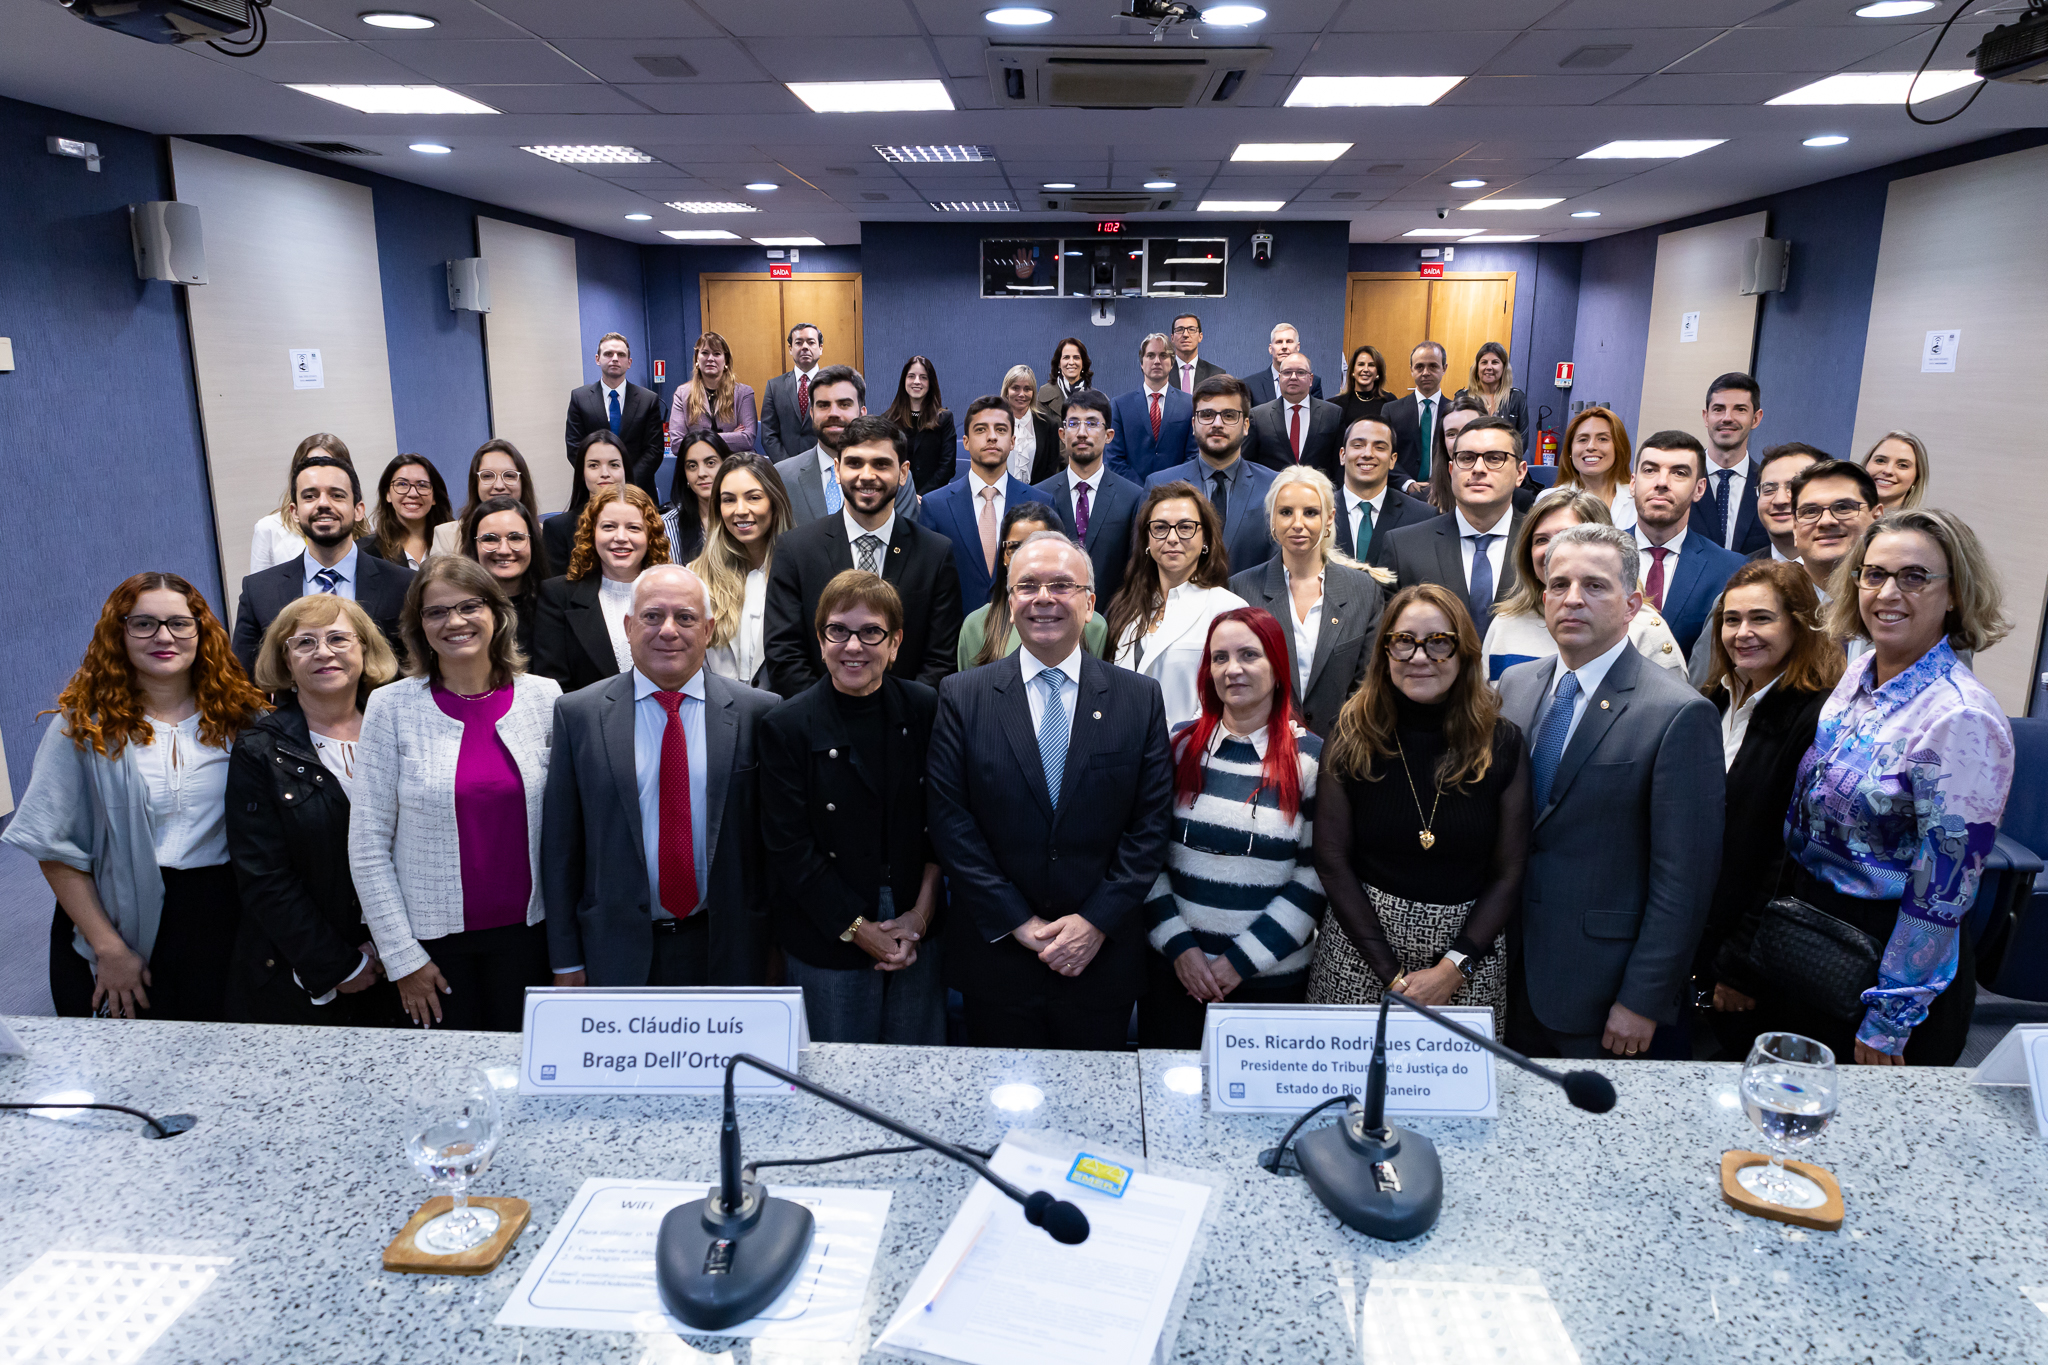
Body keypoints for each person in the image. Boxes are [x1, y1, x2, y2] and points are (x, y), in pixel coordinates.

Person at [1774, 510, 2015, 1066]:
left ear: (1954, 593)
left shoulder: (1961, 718)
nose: (1888, 592)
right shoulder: (1858, 676)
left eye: (1914, 577)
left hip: (1887, 968)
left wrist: (1890, 1018)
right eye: (1874, 573)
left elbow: (1943, 893)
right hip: (1813, 932)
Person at [928, 531, 1175, 1049]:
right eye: (1028, 586)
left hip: (1099, 960)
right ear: (1009, 602)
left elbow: (1149, 828)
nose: (1044, 598)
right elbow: (951, 821)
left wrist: (1094, 923)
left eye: (1061, 585)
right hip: (998, 959)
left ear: (1089, 604)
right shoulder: (963, 696)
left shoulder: (1139, 698)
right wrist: (1018, 922)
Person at [1497, 524, 1723, 1059]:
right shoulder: (1516, 687)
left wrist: (1643, 999)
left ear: (1633, 604)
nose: (1572, 599)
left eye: (1595, 586)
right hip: (1505, 970)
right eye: (1559, 584)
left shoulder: (1677, 712)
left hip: (1602, 991)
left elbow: (1684, 881)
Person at [6, 573, 269, 1021]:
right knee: (123, 1072)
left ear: (201, 631)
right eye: (143, 624)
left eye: (179, 623)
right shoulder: (83, 725)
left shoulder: (243, 718)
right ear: (119, 632)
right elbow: (55, 850)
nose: (164, 636)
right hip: (114, 920)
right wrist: (109, 950)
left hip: (221, 915)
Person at [349, 556, 561, 1030]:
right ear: (419, 626)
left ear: (497, 613)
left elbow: (569, 833)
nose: (455, 622)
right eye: (437, 612)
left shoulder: (544, 698)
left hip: (531, 940)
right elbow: (367, 848)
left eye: (469, 606)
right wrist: (403, 958)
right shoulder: (390, 707)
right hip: (433, 952)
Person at [542, 564, 777, 989]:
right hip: (615, 953)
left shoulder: (758, 712)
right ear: (629, 626)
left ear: (707, 629)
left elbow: (775, 846)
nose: (668, 630)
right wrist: (564, 960)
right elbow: (561, 850)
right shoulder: (578, 714)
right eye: (652, 616)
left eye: (685, 617)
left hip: (730, 948)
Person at [1307, 585, 1529, 1031]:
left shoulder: (1502, 742)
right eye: (1404, 641)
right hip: (1360, 949)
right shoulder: (1351, 733)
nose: (1419, 657)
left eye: (1439, 642)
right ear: (1385, 651)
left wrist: (1452, 969)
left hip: (1467, 958)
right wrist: (1390, 971)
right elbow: (1331, 860)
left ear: (1464, 652)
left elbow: (1509, 872)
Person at [759, 572, 946, 1041]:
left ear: (896, 642)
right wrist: (861, 930)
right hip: (827, 925)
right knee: (836, 1079)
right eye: (837, 630)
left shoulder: (926, 707)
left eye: (871, 632)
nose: (853, 646)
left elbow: (943, 824)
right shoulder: (785, 725)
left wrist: (918, 920)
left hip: (915, 920)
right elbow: (789, 849)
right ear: (820, 640)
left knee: (917, 1076)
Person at [1140, 607, 1326, 1047]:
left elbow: (1313, 876)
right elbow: (1145, 856)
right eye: (1220, 657)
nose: (1233, 669)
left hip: (1269, 986)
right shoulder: (1178, 746)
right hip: (1174, 977)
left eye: (1249, 655)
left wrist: (1238, 963)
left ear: (1278, 669)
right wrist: (1181, 949)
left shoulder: (1312, 760)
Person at [224, 595, 406, 1027]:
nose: (324, 652)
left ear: (365, 648)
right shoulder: (259, 749)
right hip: (312, 971)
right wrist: (338, 963)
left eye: (339, 638)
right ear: (286, 661)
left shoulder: (404, 729)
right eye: (304, 642)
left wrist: (400, 947)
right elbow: (263, 876)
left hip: (410, 955)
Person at [1689, 560, 1843, 1058]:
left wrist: (1742, 968)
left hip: (1753, 958)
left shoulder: (1816, 716)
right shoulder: (1713, 699)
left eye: (1761, 618)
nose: (1742, 633)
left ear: (1799, 624)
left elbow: (1787, 860)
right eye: (1731, 620)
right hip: (1703, 932)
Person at [764, 415, 961, 696]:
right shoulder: (796, 550)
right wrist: (832, 716)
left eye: (881, 464)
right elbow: (784, 656)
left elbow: (940, 660)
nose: (867, 475)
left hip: (907, 727)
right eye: (855, 463)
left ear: (903, 472)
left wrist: (894, 716)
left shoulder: (935, 553)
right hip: (817, 726)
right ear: (837, 468)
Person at [1229, 467, 1387, 736]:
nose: (1297, 523)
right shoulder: (1241, 589)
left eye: (1311, 512)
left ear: (1329, 519)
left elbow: (1368, 683)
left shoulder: (1363, 590)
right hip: (1264, 746)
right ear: (1272, 520)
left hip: (1342, 748)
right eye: (1286, 512)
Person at [232, 454, 415, 674]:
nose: (323, 504)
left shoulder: (403, 584)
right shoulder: (259, 590)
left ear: (358, 510)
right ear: (295, 512)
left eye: (337, 496)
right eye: (310, 496)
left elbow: (416, 670)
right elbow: (243, 681)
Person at [1483, 487, 1686, 681]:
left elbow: (1670, 708)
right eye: (1541, 540)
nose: (1552, 551)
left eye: (1567, 537)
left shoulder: (1644, 630)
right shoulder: (1505, 624)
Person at [1108, 482, 1250, 730]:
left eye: (1185, 527)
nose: (1172, 538)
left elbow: (1231, 702)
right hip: (1126, 754)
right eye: (1160, 528)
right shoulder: (1125, 607)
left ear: (1205, 538)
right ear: (1147, 540)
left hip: (1192, 754)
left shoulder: (1228, 608)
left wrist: (1179, 743)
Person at [1382, 415, 1526, 642]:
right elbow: (1388, 643)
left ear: (1520, 472)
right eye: (1467, 458)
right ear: (1451, 470)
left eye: (1495, 458)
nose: (1478, 468)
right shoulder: (1404, 548)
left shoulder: (1545, 544)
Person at [921, 395, 1060, 612]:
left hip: (1023, 632)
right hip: (957, 638)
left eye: (1001, 430)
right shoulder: (935, 506)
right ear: (965, 442)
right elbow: (928, 585)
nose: (992, 437)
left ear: (1013, 441)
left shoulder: (1041, 502)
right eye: (981, 429)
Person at [533, 484, 673, 693]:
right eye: (608, 527)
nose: (620, 537)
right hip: (589, 723)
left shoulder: (674, 594)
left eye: (633, 528)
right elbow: (554, 687)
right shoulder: (557, 596)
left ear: (650, 536)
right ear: (592, 533)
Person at [1630, 430, 1748, 657]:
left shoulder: (1731, 569)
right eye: (1650, 470)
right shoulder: (1597, 555)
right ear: (1633, 483)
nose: (1662, 482)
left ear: (1699, 488)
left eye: (1679, 473)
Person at [1145, 374, 1279, 575]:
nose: (1217, 423)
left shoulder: (1273, 487)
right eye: (1207, 414)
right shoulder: (1160, 485)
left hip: (1251, 604)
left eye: (1229, 415)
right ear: (1193, 424)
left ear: (1246, 425)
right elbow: (1144, 564)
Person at [959, 502, 1112, 669]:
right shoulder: (975, 626)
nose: (1028, 556)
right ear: (1003, 556)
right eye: (1016, 547)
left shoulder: (1094, 627)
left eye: (1040, 544)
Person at [769, 365, 920, 526]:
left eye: (844, 404)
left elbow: (905, 541)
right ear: (812, 414)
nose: (833, 413)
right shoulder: (782, 476)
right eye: (823, 405)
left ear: (862, 413)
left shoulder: (893, 475)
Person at [1035, 388, 1144, 607]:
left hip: (1113, 621)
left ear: (1109, 435)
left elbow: (1136, 573)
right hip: (1052, 618)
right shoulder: (1039, 496)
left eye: (1092, 423)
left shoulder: (1133, 497)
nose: (1082, 433)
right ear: (1062, 434)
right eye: (1073, 423)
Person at [693, 454, 793, 691]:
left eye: (754, 498)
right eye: (728, 500)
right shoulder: (695, 578)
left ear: (774, 501)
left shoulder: (799, 571)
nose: (740, 510)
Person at [565, 331, 663, 499]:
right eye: (608, 354)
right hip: (593, 493)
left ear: (629, 362)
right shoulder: (579, 398)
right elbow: (575, 448)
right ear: (598, 359)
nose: (615, 358)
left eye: (621, 355)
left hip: (638, 491)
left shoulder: (649, 400)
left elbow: (654, 450)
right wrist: (599, 481)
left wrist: (626, 483)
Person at [1333, 415, 1434, 566]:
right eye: (1358, 445)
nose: (1367, 453)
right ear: (1342, 455)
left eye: (1379, 447)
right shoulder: (1317, 511)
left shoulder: (1423, 517)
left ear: (1393, 460)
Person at [250, 433, 354, 573]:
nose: (321, 473)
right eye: (312, 465)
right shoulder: (268, 529)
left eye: (331, 465)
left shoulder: (363, 526)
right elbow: (261, 588)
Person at [461, 495, 549, 660]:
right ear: (474, 546)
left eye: (516, 538)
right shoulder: (459, 610)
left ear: (532, 543)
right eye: (489, 539)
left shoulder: (555, 603)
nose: (503, 550)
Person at [1692, 373, 1770, 555]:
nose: (1727, 418)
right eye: (1718, 409)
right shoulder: (1681, 480)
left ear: (1756, 418)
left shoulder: (1769, 486)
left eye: (1740, 409)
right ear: (1706, 417)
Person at [1105, 333, 1198, 482]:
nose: (1157, 361)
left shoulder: (1189, 404)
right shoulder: (1120, 405)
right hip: (1134, 496)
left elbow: (1193, 457)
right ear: (1141, 363)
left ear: (1172, 362)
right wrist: (1144, 492)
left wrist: (1170, 491)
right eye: (1150, 355)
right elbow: (1114, 459)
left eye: (1163, 356)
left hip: (1177, 495)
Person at [432, 438, 543, 559]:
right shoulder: (447, 536)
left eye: (510, 476)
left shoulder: (545, 534)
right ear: (475, 483)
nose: (499, 486)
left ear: (523, 483)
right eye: (487, 476)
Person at [1245, 352, 1345, 483]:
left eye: (1300, 372)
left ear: (1311, 379)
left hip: (1319, 496)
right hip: (1272, 496)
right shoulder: (1258, 416)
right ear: (1279, 378)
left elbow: (1339, 465)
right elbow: (1248, 464)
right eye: (1287, 372)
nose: (1293, 377)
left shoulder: (1333, 414)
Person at [1788, 459, 1880, 600]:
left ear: (1877, 518)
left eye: (1843, 508)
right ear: (1795, 528)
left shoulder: (1900, 599)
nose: (1826, 521)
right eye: (1811, 511)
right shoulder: (1767, 602)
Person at [543, 429, 632, 571]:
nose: (605, 474)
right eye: (593, 465)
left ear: (625, 471)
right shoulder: (557, 529)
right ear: (582, 473)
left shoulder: (646, 522)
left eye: (614, 465)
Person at [668, 330, 757, 455]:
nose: (710, 358)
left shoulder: (744, 393)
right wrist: (728, 436)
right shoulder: (682, 394)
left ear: (725, 360)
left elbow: (747, 440)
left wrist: (696, 438)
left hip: (735, 465)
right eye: (705, 353)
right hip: (698, 465)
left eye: (716, 353)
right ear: (697, 359)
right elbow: (677, 445)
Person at [884, 354, 959, 495]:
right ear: (904, 381)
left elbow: (947, 467)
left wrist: (922, 495)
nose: (917, 381)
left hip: (932, 496)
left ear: (931, 382)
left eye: (923, 377)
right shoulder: (888, 419)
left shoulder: (944, 419)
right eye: (911, 376)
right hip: (896, 497)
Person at [1381, 341, 1450, 491]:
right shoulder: (1391, 411)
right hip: (1402, 494)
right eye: (1419, 367)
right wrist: (1407, 484)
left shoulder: (1455, 412)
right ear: (1411, 370)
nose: (1425, 372)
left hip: (1446, 494)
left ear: (1444, 368)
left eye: (1433, 366)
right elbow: (1383, 453)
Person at [1553, 405, 1635, 530]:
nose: (1591, 446)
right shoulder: (1550, 499)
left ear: (1619, 447)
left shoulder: (1637, 501)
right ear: (1570, 450)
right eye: (1582, 439)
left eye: (1602, 439)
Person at [760, 321, 825, 463]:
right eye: (799, 343)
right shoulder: (774, 386)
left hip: (824, 466)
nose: (805, 347)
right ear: (790, 349)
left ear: (820, 348)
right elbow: (768, 434)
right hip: (785, 469)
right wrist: (788, 466)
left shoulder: (832, 385)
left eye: (811, 342)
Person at [371, 454, 450, 570]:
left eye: (422, 485)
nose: (413, 494)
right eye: (402, 484)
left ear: (434, 497)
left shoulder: (456, 542)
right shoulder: (368, 551)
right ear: (388, 494)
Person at [1752, 443, 1825, 563]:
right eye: (1769, 489)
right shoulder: (1738, 572)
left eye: (1795, 488)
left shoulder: (1854, 574)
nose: (1780, 500)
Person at [665, 431, 730, 566]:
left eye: (710, 463)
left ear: (726, 466)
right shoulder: (667, 527)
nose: (701, 473)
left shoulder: (742, 517)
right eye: (692, 466)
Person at [1423, 394, 1494, 515]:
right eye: (1451, 434)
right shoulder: (1422, 502)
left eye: (1469, 430)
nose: (1461, 440)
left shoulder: (1516, 497)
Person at [1001, 363, 1062, 485]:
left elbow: (1051, 469)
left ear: (1033, 393)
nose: (1021, 394)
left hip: (1036, 498)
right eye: (1015, 388)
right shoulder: (994, 423)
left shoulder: (1049, 425)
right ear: (1006, 391)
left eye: (1027, 389)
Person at [1455, 341, 1528, 437]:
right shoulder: (1463, 397)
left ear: (1504, 368)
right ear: (1477, 368)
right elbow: (1457, 436)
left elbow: (1522, 439)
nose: (1489, 367)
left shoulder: (1516, 398)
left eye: (1495, 362)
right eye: (1484, 362)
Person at [1243, 322, 1326, 407]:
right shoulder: (1250, 384)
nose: (1284, 346)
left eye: (1289, 342)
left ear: (1297, 347)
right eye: (1279, 342)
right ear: (1270, 349)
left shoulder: (1312, 382)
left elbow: (1317, 416)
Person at [1861, 429, 1931, 512]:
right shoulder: (1842, 521)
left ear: (1916, 479)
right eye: (1880, 460)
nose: (1888, 470)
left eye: (1902, 465)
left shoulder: (1920, 525)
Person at [1334, 344, 1395, 434]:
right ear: (1352, 371)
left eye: (1371, 365)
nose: (1365, 369)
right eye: (1361, 364)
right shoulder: (1337, 404)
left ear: (1378, 373)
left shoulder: (1390, 402)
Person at [1034, 337, 1093, 424]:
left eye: (1076, 357)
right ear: (1059, 363)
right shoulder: (1044, 393)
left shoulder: (1095, 398)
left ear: (1083, 363)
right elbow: (1041, 432)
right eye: (1066, 357)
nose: (1071, 362)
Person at [1166, 313, 1224, 395]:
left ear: (1200, 336)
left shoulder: (1216, 374)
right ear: (1172, 338)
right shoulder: (1163, 372)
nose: (1185, 335)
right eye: (1179, 330)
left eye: (1192, 330)